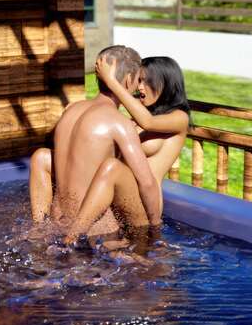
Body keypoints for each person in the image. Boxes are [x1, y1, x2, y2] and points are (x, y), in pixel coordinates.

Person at [29, 46, 162, 238]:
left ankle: (38, 229)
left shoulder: (70, 110)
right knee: (116, 169)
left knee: (42, 155)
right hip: (97, 231)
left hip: (58, 222)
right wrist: (155, 229)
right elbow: (147, 183)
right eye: (138, 79)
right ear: (128, 80)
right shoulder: (118, 123)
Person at [63, 55, 190, 242]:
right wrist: (82, 108)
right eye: (139, 81)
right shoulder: (142, 112)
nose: (140, 87)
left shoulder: (179, 118)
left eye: (146, 81)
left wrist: (111, 81)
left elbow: (147, 122)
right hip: (121, 195)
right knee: (44, 157)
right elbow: (111, 115)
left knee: (112, 167)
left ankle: (70, 239)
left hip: (145, 201)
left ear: (165, 83)